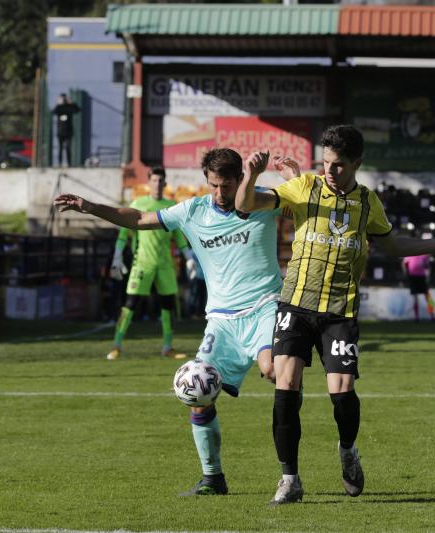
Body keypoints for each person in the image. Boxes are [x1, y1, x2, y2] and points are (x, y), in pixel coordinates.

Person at [235, 124, 435, 505]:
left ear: (357, 164)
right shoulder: (304, 188)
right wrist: (251, 175)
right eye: (326, 163)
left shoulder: (368, 203)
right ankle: (289, 478)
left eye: (338, 166)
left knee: (343, 392)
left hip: (339, 311)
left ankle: (348, 450)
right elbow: (245, 205)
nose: (330, 171)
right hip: (296, 305)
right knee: (285, 385)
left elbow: (392, 243)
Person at [54, 148, 298, 497]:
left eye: (227, 185)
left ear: (239, 180)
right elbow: (138, 219)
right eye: (214, 185)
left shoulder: (261, 204)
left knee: (274, 370)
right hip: (221, 321)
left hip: (265, 307)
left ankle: (291, 470)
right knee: (197, 393)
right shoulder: (193, 211)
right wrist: (90, 206)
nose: (220, 193)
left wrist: (280, 175)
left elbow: (303, 201)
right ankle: (213, 479)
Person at [106, 166, 191, 361]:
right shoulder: (138, 203)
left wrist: (189, 258)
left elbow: (178, 235)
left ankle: (167, 347)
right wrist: (117, 255)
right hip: (141, 264)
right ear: (149, 182)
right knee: (130, 305)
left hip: (165, 265)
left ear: (165, 184)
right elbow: (123, 232)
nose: (157, 184)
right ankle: (116, 345)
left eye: (161, 181)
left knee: (168, 306)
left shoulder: (170, 205)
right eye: (154, 180)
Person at [402, 254, 435, 322]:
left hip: (422, 277)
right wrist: (406, 272)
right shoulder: (409, 253)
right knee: (415, 298)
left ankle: (432, 316)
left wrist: (428, 276)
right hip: (413, 277)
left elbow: (427, 266)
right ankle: (416, 318)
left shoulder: (425, 254)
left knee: (428, 297)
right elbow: (404, 263)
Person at [52, 93, 80, 167]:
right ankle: (60, 163)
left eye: (64, 98)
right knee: (60, 148)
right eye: (63, 98)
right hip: (60, 132)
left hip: (68, 131)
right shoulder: (59, 107)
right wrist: (58, 103)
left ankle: (69, 163)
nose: (64, 100)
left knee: (68, 148)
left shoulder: (69, 107)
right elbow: (53, 112)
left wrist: (71, 102)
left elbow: (77, 110)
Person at [185, 247, 207, 318]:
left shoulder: (202, 250)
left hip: (203, 277)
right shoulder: (190, 252)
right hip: (195, 277)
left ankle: (200, 313)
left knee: (202, 296)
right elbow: (189, 265)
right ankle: (191, 313)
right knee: (194, 296)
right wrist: (189, 277)